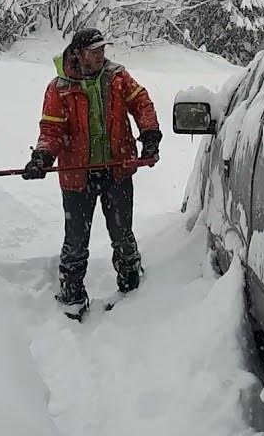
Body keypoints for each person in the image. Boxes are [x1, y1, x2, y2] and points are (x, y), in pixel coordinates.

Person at [23, 28, 162, 317]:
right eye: (94, 50)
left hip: (117, 171)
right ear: (77, 53)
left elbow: (141, 102)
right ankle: (72, 297)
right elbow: (51, 129)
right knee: (75, 241)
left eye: (102, 49)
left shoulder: (117, 77)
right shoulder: (59, 87)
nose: (101, 55)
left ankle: (133, 289)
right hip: (78, 175)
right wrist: (42, 157)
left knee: (122, 236)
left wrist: (149, 134)